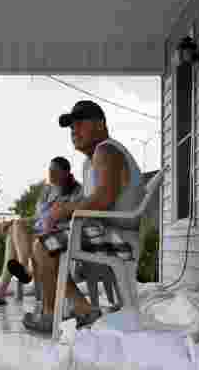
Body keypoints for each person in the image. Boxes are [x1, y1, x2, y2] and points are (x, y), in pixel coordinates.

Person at [21, 100, 142, 333]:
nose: (74, 130)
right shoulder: (94, 158)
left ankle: (61, 313)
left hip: (120, 238)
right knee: (43, 243)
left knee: (43, 247)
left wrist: (63, 210)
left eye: (80, 123)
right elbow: (95, 205)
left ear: (101, 125)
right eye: (71, 126)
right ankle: (78, 309)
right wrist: (62, 215)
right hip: (111, 233)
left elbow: (103, 200)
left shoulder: (106, 150)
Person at [0, 156, 83, 306]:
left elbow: (74, 217)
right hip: (37, 231)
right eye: (50, 170)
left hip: (55, 233)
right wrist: (12, 222)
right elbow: (37, 218)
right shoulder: (47, 190)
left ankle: (1, 292)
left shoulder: (76, 191)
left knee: (12, 238)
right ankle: (24, 269)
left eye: (55, 171)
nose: (51, 174)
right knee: (17, 225)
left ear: (66, 172)